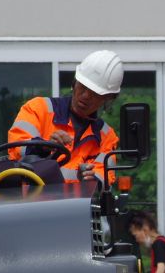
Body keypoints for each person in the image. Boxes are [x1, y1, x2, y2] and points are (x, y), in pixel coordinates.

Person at [7, 50, 123, 184]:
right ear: (74, 83)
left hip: (73, 205)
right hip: (29, 201)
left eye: (94, 93)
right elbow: (17, 149)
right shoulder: (38, 108)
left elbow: (104, 179)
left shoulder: (107, 137)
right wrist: (44, 147)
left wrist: (91, 178)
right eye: (83, 87)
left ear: (107, 98)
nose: (85, 96)